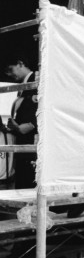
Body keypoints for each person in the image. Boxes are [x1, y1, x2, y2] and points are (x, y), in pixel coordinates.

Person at [4, 56, 37, 189]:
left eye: (10, 69)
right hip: (22, 135)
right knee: (23, 176)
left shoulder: (37, 78)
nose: (9, 74)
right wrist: (12, 127)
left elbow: (46, 105)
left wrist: (32, 125)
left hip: (33, 135)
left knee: (28, 178)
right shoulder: (24, 84)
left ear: (20, 63)